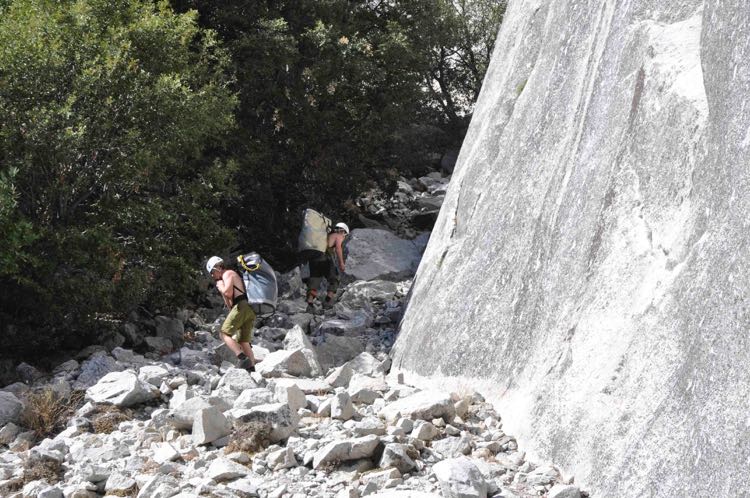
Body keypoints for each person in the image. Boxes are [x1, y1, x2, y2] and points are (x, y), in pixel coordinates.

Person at [206, 256, 256, 370]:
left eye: (212, 273)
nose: (213, 276)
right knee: (244, 341)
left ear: (217, 268)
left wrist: (222, 288)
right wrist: (222, 290)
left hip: (242, 306)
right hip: (249, 308)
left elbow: (228, 292)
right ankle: (251, 369)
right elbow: (229, 304)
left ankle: (242, 357)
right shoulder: (226, 277)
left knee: (223, 334)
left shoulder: (228, 273)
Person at [306, 222, 349, 311]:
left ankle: (309, 305)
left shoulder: (325, 235)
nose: (344, 237)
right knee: (334, 279)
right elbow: (338, 248)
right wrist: (341, 263)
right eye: (345, 234)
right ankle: (327, 302)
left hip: (314, 258)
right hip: (324, 258)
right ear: (343, 231)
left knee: (315, 280)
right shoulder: (338, 235)